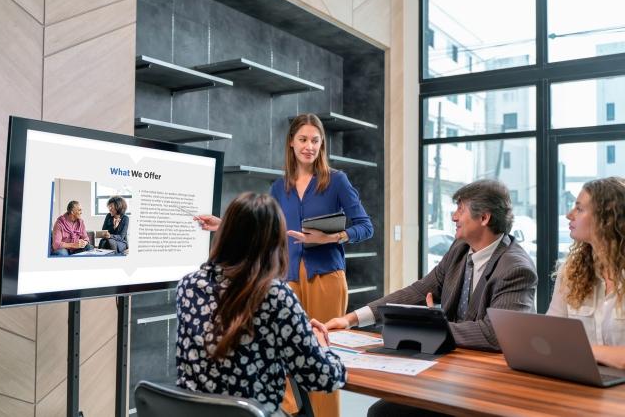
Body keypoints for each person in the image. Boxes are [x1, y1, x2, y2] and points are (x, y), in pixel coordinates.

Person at [196, 113, 373, 417]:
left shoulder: (336, 181)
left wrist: (332, 238)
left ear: (322, 144)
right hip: (286, 278)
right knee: (283, 356)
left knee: (320, 355)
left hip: (327, 277)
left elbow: (365, 227)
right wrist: (224, 224)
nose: (309, 146)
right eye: (303, 139)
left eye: (315, 140)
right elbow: (261, 227)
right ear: (291, 142)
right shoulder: (280, 187)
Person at [326, 179, 538, 417]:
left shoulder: (516, 268)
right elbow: (418, 291)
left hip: (487, 384)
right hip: (450, 370)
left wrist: (432, 325)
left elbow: (495, 334)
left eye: (460, 208)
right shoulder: (459, 249)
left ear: (484, 218)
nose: (453, 216)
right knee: (381, 412)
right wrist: (352, 319)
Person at [176, 192, 347, 417]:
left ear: (224, 234)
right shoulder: (274, 295)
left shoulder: (187, 285)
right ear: (274, 242)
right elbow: (324, 377)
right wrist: (322, 345)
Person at [547, 176, 625, 370]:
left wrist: (580, 349)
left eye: (579, 209)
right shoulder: (570, 270)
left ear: (607, 218)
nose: (568, 215)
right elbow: (550, 333)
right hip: (584, 384)